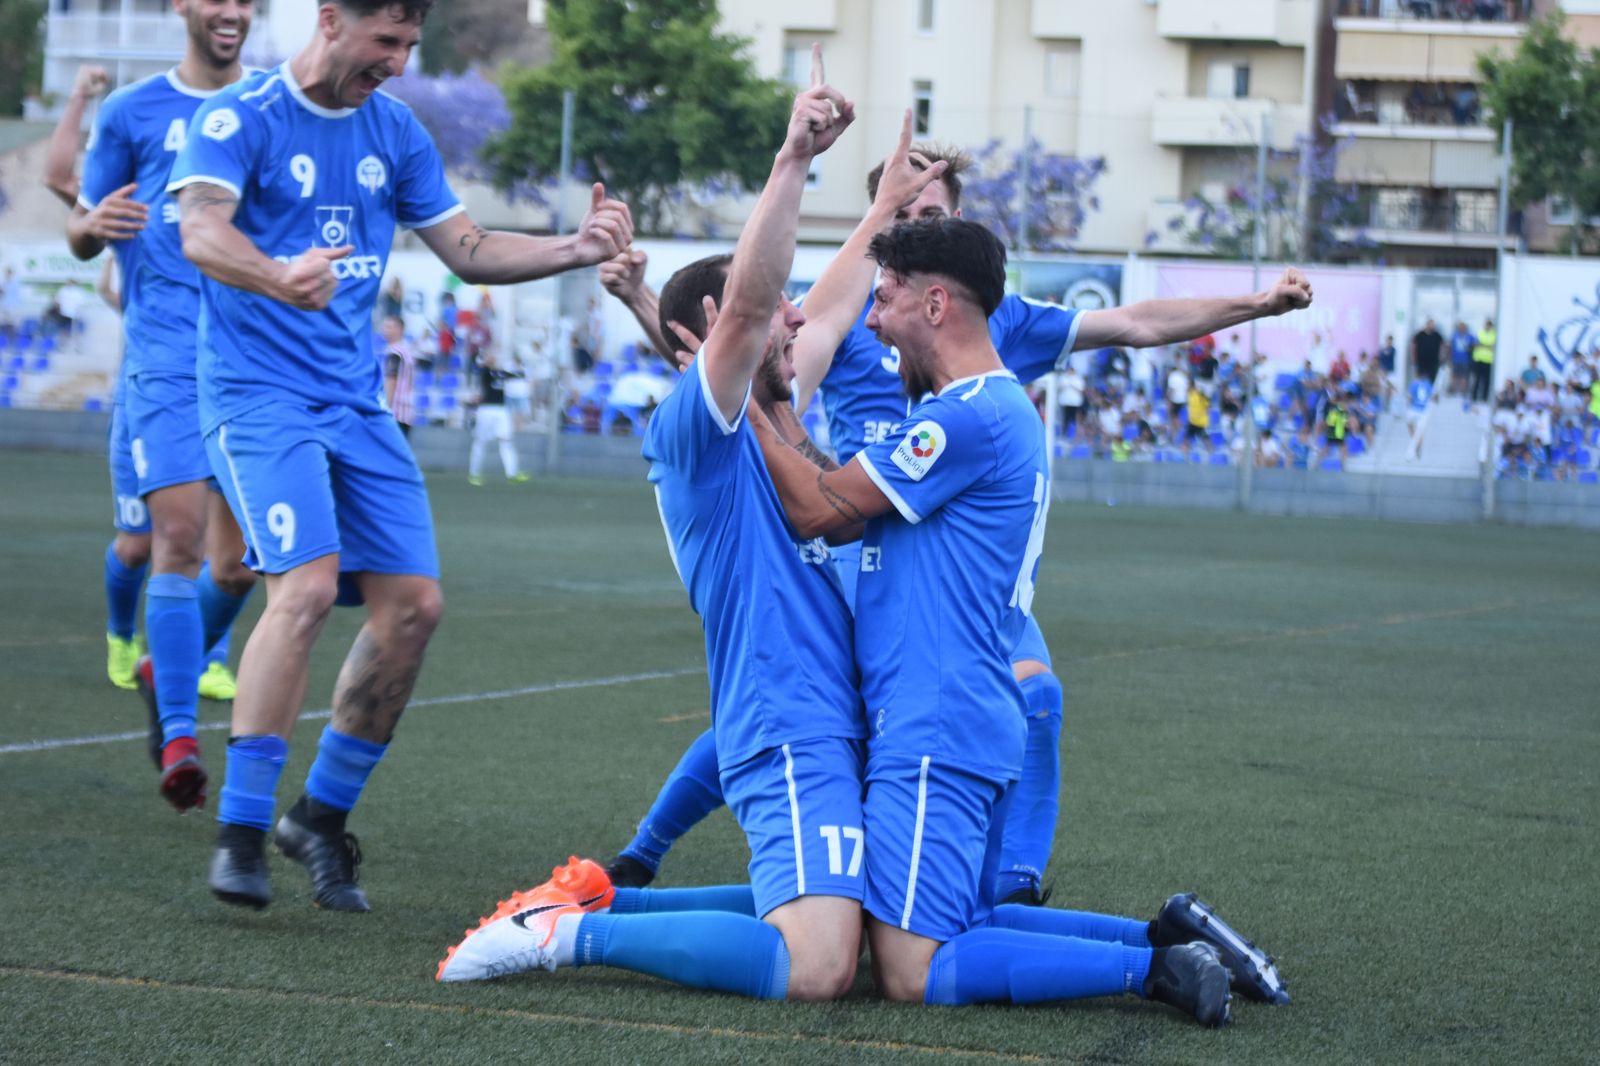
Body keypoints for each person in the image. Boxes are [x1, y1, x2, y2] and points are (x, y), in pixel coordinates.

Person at [599, 139, 1313, 909]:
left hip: (957, 559)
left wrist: (1256, 305)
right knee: (806, 697)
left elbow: (1135, 320)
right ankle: (642, 856)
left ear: (957, 224)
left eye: (929, 214)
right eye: (899, 214)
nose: (914, 225)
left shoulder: (992, 324)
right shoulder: (857, 313)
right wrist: (646, 304)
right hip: (861, 535)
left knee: (1036, 697)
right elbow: (729, 371)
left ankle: (1009, 891)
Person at [746, 217, 1284, 1018]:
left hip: (935, 722)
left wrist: (733, 399)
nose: (872, 321)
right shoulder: (977, 410)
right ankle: (1162, 937)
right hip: (959, 712)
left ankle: (1155, 969)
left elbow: (818, 511)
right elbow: (844, 495)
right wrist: (778, 410)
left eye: (883, 299)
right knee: (959, 923)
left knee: (911, 970)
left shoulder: (966, 417)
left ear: (935, 305)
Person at [167, 0, 633, 910]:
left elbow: (468, 248)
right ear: (330, 20)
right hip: (258, 398)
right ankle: (241, 831)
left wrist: (575, 248)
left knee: (415, 608)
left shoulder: (395, 129)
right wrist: (276, 275)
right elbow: (200, 230)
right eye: (386, 41)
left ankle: (319, 818)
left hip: (356, 404)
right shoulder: (240, 115)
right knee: (304, 590)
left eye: (411, 45)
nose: (399, 61)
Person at [442, 48, 875, 1002]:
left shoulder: (770, 422)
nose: (797, 320)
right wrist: (793, 160)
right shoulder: (695, 428)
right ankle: (565, 935)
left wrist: (884, 208)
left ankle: (603, 899)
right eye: (779, 311)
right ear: (722, 329)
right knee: (820, 967)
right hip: (786, 718)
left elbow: (797, 319)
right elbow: (748, 312)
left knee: (868, 931)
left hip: (822, 717)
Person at [65, 0, 264, 810]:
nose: (232, 12)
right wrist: (93, 225)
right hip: (165, 361)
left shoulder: (270, 104)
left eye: (246, 1)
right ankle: (179, 736)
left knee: (240, 564)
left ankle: (163, 665)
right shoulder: (130, 110)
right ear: (182, 5)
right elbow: (82, 230)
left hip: (251, 363)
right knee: (171, 539)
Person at [467, 350, 526, 484]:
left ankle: (512, 474)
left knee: (506, 441)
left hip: (501, 409)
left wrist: (519, 370)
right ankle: (474, 474)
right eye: (490, 355)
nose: (493, 357)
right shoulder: (484, 372)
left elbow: (518, 374)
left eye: (493, 355)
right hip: (486, 409)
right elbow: (481, 368)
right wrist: (484, 361)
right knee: (480, 441)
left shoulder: (500, 372)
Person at [380, 313, 418, 437]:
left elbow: (391, 380)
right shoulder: (406, 349)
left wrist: (386, 408)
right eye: (385, 326)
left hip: (396, 411)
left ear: (399, 329)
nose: (385, 330)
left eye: (390, 327)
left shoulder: (394, 352)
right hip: (407, 410)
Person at [1411, 319, 1443, 393]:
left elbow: (1442, 346)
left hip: (1433, 361)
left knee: (1431, 378)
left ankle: (1429, 392)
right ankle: (1418, 392)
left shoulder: (1437, 335)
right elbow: (1414, 345)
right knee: (1420, 377)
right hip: (1421, 360)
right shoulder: (1420, 335)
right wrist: (1413, 358)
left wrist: (1441, 357)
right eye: (1430, 324)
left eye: (1433, 325)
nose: (1431, 326)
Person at [1471, 318, 1495, 405]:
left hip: (1488, 361)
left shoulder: (1494, 334)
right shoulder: (1480, 332)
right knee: (1477, 379)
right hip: (1478, 359)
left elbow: (1493, 346)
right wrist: (1486, 346)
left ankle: (1484, 398)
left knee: (1486, 381)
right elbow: (1474, 344)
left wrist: (1482, 345)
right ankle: (1474, 397)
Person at [1448, 321, 1475, 397]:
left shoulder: (1469, 336)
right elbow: (1450, 347)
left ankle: (1463, 391)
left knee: (1464, 376)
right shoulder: (1455, 335)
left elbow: (1473, 346)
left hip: (1465, 360)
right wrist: (1449, 357)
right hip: (1455, 359)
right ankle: (1454, 390)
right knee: (1454, 375)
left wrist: (1470, 349)